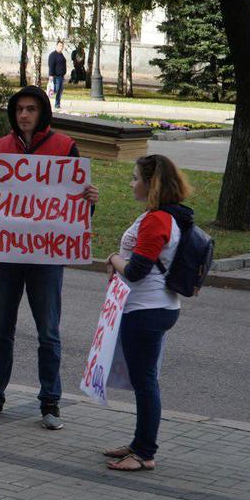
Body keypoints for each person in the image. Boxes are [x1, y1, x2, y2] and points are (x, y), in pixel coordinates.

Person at [0, 85, 99, 430]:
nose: (24, 115)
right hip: (7, 252)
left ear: (42, 112)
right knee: (1, 328)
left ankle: (50, 402)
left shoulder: (64, 147)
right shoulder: (2, 147)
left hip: (46, 256)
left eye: (31, 109)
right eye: (19, 110)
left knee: (48, 332)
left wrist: (89, 199)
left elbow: (73, 201)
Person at [103, 155, 192, 471]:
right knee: (144, 379)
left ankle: (144, 453)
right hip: (154, 307)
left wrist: (114, 259)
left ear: (151, 183)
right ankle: (139, 443)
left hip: (147, 309)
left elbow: (137, 271)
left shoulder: (157, 220)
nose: (131, 183)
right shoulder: (162, 215)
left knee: (145, 381)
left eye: (136, 177)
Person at [48, 40, 68, 109]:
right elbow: (51, 65)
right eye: (60, 46)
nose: (61, 47)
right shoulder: (53, 55)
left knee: (60, 91)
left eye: (62, 46)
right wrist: (51, 75)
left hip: (61, 76)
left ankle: (57, 104)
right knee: (55, 90)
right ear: (56, 46)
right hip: (55, 76)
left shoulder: (61, 55)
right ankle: (47, 100)